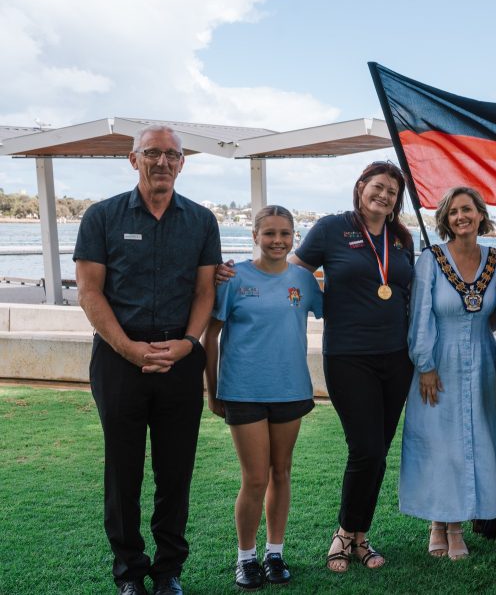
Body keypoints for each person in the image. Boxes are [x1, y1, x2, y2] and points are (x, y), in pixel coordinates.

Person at [220, 161, 415, 574]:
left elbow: (407, 290)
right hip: (349, 357)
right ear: (361, 187)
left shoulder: (401, 238)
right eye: (377, 187)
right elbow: (290, 273)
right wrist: (234, 272)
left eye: (392, 192)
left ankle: (360, 537)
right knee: (365, 449)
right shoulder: (331, 229)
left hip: (397, 358)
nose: (384, 196)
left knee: (378, 454)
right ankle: (344, 534)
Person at [75, 125, 220, 595]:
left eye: (171, 155)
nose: (163, 162)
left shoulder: (201, 221)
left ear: (183, 163)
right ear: (133, 159)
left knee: (175, 471)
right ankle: (130, 573)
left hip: (179, 359)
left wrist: (188, 343)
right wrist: (129, 349)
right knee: (123, 469)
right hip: (119, 359)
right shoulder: (101, 216)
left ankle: (168, 571)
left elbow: (204, 290)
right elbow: (89, 292)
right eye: (152, 153)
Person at [203, 206, 323, 590]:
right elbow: (211, 336)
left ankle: (275, 553)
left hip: (290, 389)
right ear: (254, 236)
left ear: (294, 238)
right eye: (269, 233)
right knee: (254, 478)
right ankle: (246, 557)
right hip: (243, 391)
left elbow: (340, 313)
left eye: (285, 234)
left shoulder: (304, 281)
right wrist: (212, 388)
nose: (277, 241)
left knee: (281, 472)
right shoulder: (234, 277)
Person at [399, 186, 496, 560]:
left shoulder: (495, 260)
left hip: (482, 361)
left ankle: (457, 525)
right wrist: (424, 365)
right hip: (439, 360)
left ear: (480, 214)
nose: (461, 216)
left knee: (474, 441)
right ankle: (438, 522)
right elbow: (421, 314)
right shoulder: (431, 258)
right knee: (438, 444)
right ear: (445, 220)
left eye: (468, 209)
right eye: (453, 212)